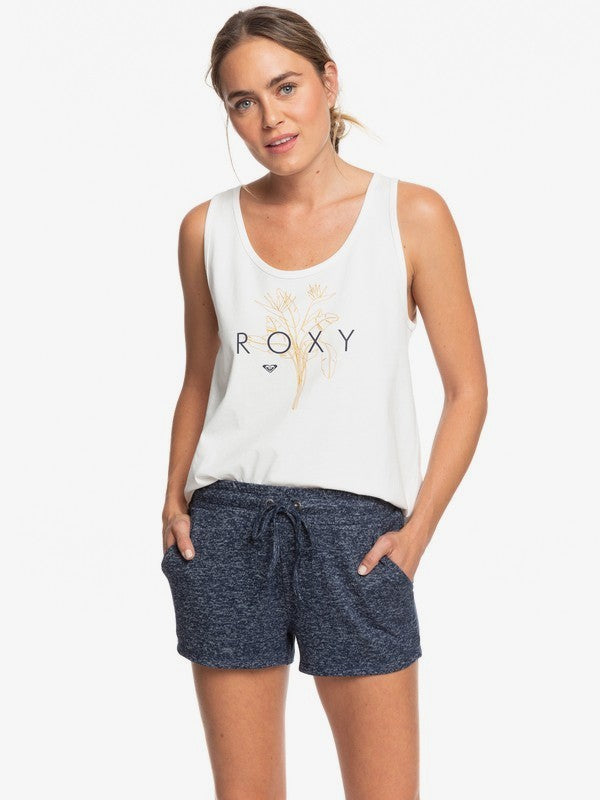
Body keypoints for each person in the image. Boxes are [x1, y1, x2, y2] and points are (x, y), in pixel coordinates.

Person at [160, 6, 487, 799]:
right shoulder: (207, 228)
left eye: (286, 87)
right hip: (228, 526)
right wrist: (173, 499)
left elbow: (468, 389)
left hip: (356, 536)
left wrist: (416, 534)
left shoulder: (412, 215)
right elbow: (200, 377)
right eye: (242, 101)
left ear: (328, 81)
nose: (270, 118)